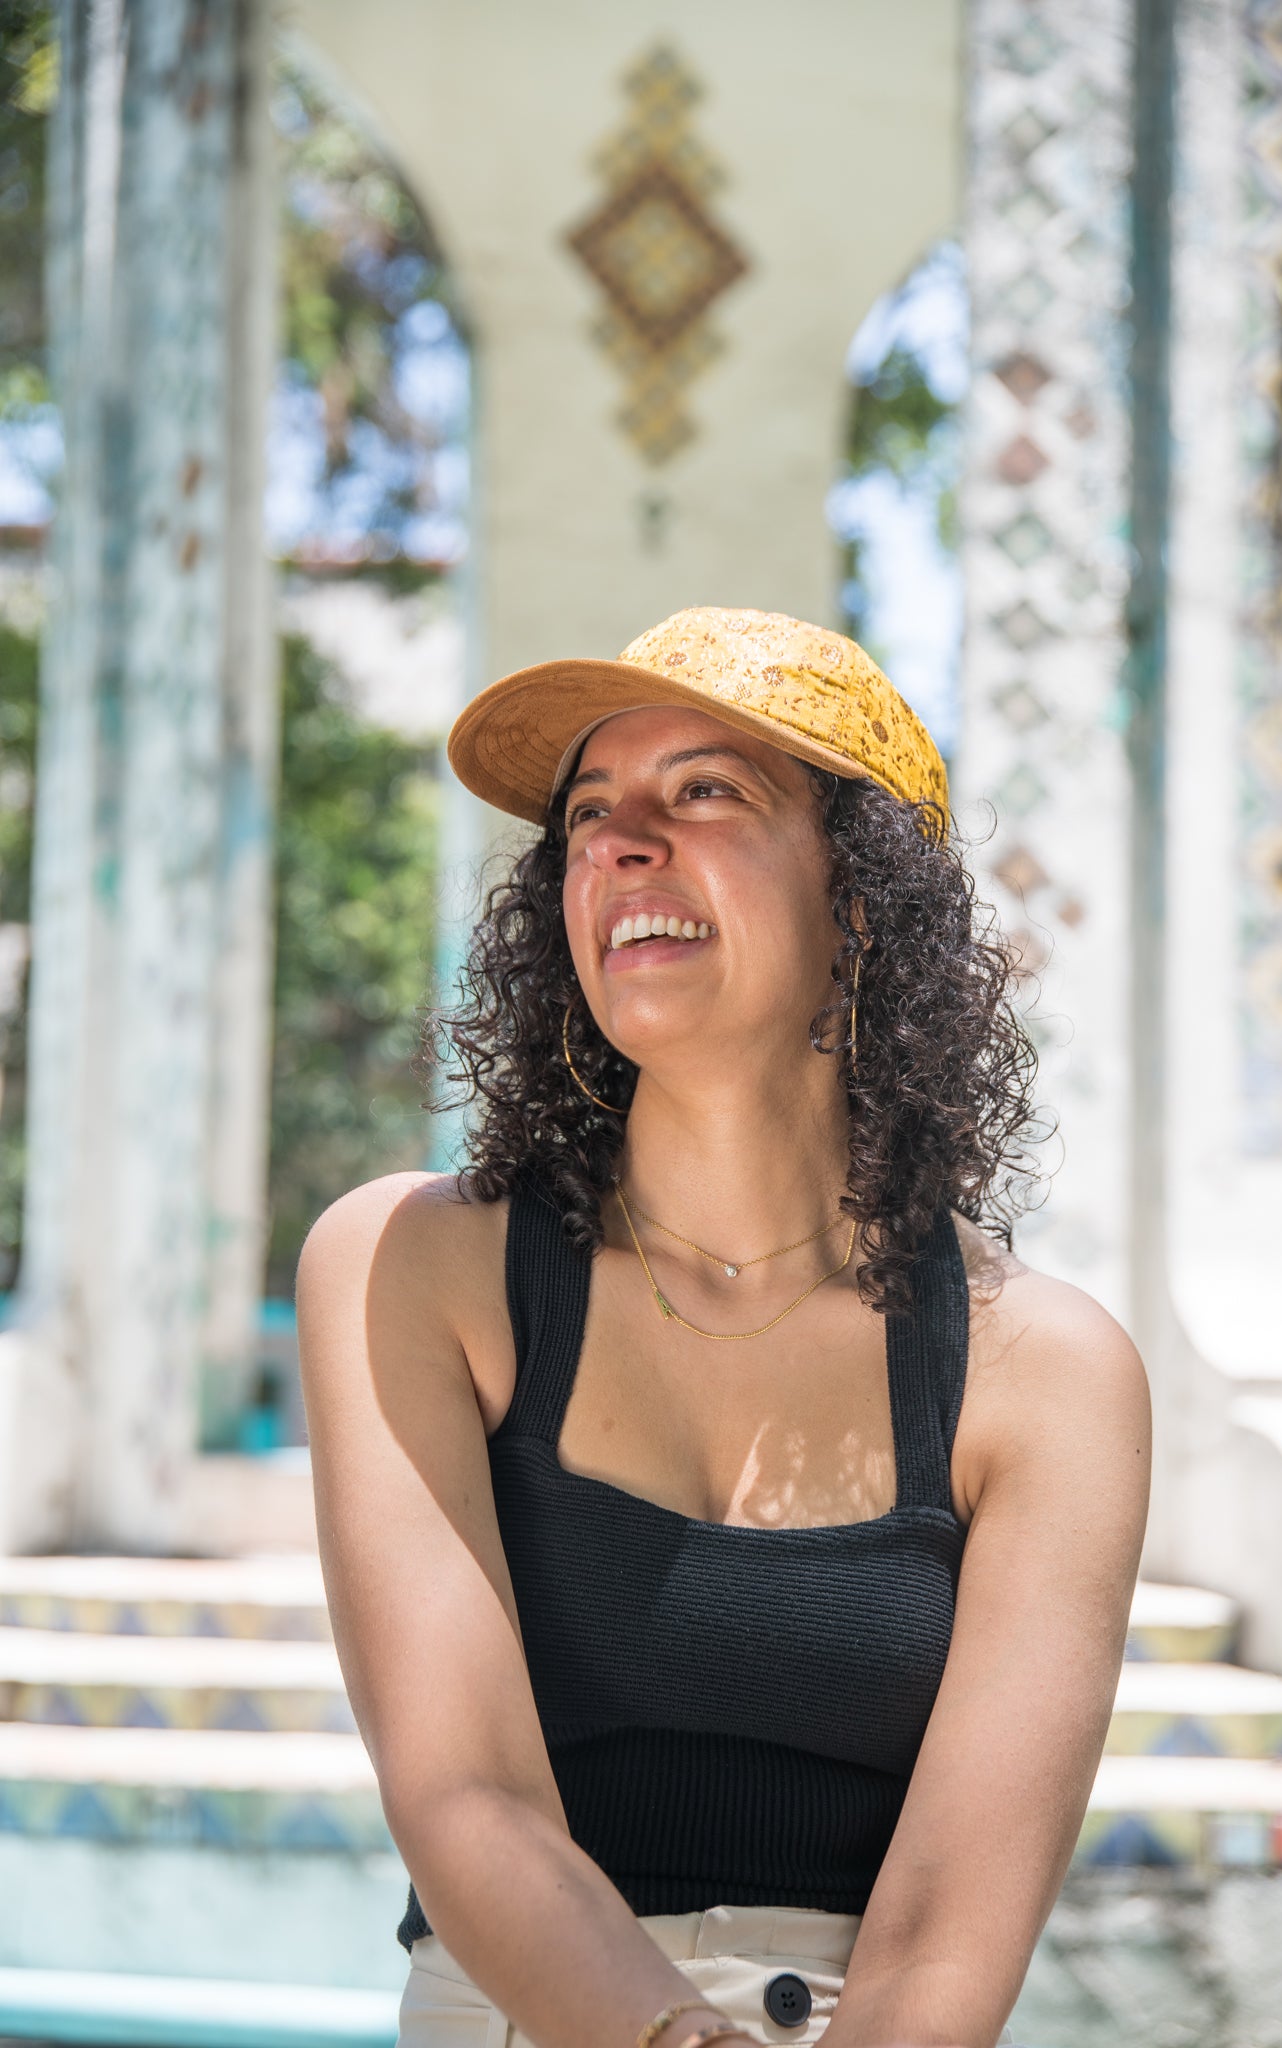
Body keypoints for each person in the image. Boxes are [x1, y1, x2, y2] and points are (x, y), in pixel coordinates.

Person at [295, 607, 1151, 2048]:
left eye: (704, 791)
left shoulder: (1045, 1376)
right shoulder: (407, 1264)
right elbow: (466, 1796)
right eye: (586, 813)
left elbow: (949, 1923)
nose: (618, 841)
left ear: (864, 899)